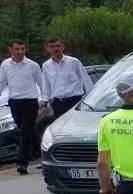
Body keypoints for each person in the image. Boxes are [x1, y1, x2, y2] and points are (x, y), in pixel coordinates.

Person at [1, 39, 47, 174]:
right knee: (29, 131)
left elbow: (42, 83)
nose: (20, 52)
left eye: (22, 49)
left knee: (25, 131)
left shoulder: (32, 65)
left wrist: (43, 101)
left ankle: (22, 162)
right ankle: (42, 154)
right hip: (14, 102)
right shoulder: (5, 65)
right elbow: (2, 82)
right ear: (10, 50)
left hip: (30, 101)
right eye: (17, 49)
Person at [43, 38, 93, 120]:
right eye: (52, 47)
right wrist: (44, 103)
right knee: (60, 128)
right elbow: (46, 85)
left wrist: (91, 98)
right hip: (57, 103)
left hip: (74, 101)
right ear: (47, 49)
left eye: (58, 46)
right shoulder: (46, 65)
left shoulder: (74, 62)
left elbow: (86, 80)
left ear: (63, 47)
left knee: (77, 124)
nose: (55, 49)